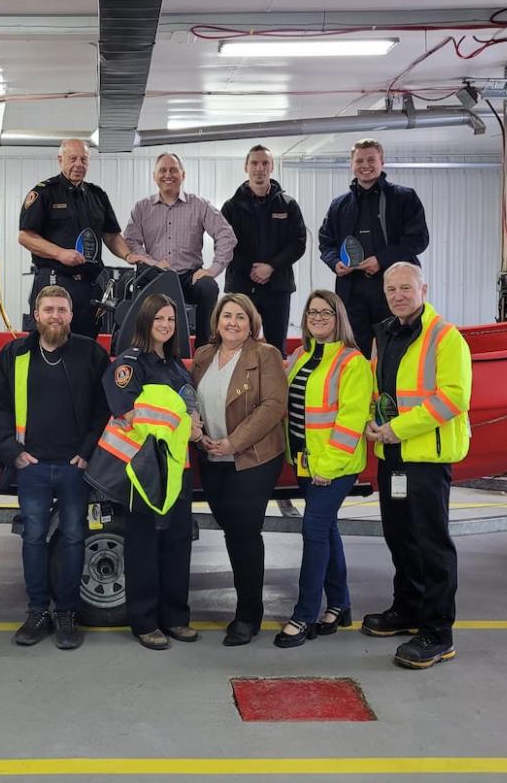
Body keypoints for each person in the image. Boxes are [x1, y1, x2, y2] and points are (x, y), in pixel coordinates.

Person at [363, 263, 471, 670]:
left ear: (423, 287)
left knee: (432, 544)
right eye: (391, 289)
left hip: (426, 457)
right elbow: (383, 389)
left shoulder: (446, 337)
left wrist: (397, 429)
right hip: (392, 456)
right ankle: (407, 609)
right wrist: (375, 422)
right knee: (400, 536)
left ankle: (438, 633)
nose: (398, 295)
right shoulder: (386, 333)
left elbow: (453, 398)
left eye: (405, 287)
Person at [0, 285, 111, 650]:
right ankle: (38, 611)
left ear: (71, 315)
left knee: (74, 539)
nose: (55, 316)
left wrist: (88, 450)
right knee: (33, 539)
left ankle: (67, 614)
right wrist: (12, 450)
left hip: (76, 468)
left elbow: (104, 409)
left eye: (62, 309)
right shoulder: (14, 354)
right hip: (32, 467)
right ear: (36, 314)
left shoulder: (91, 353)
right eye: (48, 309)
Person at [274, 289, 374, 649]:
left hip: (334, 466)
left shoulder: (352, 362)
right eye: (312, 312)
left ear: (338, 318)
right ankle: (340, 604)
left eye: (325, 312)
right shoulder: (300, 356)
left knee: (313, 530)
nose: (317, 318)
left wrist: (327, 467)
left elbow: (350, 422)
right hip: (306, 463)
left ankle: (303, 615)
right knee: (327, 530)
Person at [100, 293, 201, 650]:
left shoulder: (175, 365)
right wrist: (178, 424)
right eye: (159, 319)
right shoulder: (130, 363)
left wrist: (194, 426)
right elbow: (128, 413)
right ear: (145, 322)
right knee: (144, 546)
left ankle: (176, 618)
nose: (166, 325)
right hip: (145, 469)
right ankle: (144, 622)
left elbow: (188, 410)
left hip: (178, 468)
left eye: (171, 320)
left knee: (177, 544)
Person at [189, 293, 286, 646]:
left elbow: (274, 405)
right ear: (217, 321)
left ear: (251, 323)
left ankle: (248, 615)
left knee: (244, 533)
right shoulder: (203, 356)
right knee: (231, 531)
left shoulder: (265, 355)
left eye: (240, 317)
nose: (233, 322)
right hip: (212, 457)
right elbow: (190, 399)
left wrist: (234, 441)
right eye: (227, 315)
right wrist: (200, 437)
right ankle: (247, 606)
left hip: (252, 458)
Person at [18, 137, 145, 339]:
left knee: (87, 344)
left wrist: (128, 256)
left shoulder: (97, 196)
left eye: (84, 159)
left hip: (89, 286)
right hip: (54, 282)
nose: (78, 164)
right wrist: (60, 253)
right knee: (50, 342)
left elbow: (111, 235)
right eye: (73, 158)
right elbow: (25, 237)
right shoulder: (44, 192)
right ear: (60, 160)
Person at [317, 138, 430, 358]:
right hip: (352, 292)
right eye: (359, 160)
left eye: (371, 160)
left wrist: (382, 259)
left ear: (382, 162)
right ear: (352, 165)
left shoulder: (404, 198)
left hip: (391, 290)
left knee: (398, 349)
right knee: (355, 353)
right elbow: (326, 242)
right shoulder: (339, 205)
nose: (365, 165)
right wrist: (335, 263)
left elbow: (418, 239)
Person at [123, 152, 237, 348]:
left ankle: (204, 351)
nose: (168, 174)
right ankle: (145, 350)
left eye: (173, 170)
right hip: (157, 276)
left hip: (189, 277)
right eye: (163, 170)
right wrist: (153, 262)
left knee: (209, 287)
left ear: (183, 175)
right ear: (155, 176)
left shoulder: (199, 205)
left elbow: (227, 236)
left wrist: (212, 270)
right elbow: (130, 242)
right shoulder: (142, 208)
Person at [221, 144, 307, 354]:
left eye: (265, 163)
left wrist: (271, 267)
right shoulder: (231, 207)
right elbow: (223, 244)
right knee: (236, 345)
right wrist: (251, 268)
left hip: (277, 286)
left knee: (276, 348)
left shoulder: (288, 205)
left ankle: (274, 387)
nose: (259, 168)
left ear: (272, 167)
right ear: (246, 167)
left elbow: (298, 243)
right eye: (254, 163)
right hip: (241, 285)